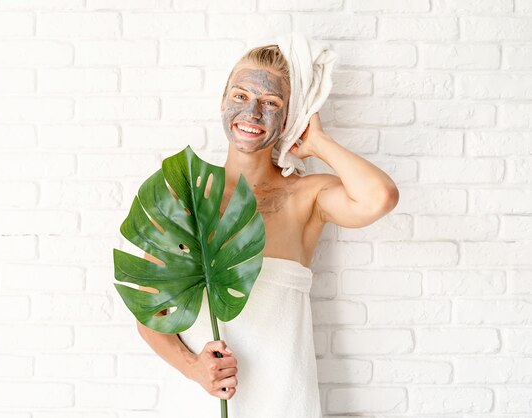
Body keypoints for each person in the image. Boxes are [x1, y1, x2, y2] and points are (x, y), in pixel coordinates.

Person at [135, 42, 399, 416]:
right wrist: (195, 368)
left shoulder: (305, 196)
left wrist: (319, 142)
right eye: (240, 95)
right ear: (222, 101)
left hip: (285, 402)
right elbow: (149, 312)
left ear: (290, 116)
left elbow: (380, 197)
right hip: (202, 404)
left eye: (272, 103)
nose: (252, 111)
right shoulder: (185, 200)